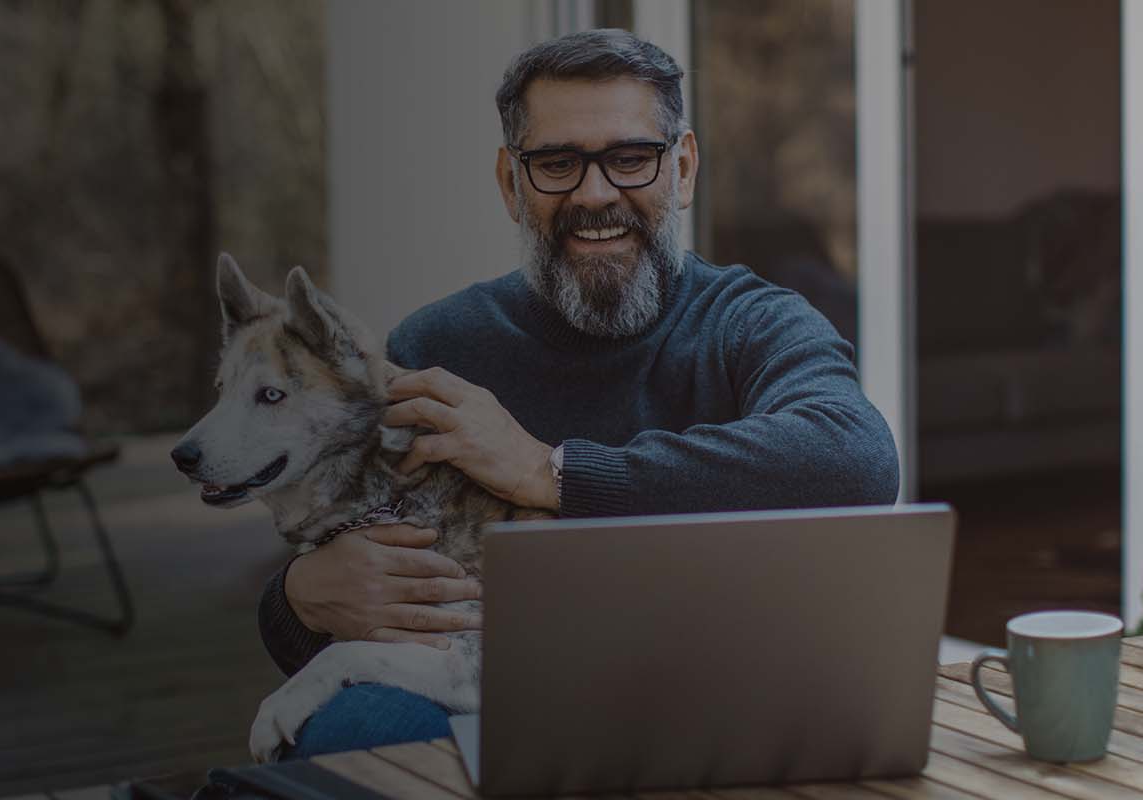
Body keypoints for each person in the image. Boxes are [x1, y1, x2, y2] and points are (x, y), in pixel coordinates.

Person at [262, 28, 901, 758]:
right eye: (557, 164)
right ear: (512, 184)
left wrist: (548, 471)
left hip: (715, 685)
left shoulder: (752, 322)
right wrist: (299, 597)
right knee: (349, 734)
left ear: (683, 170)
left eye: (631, 158)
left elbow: (856, 459)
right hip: (498, 692)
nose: (595, 195)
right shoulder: (434, 348)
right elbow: (348, 587)